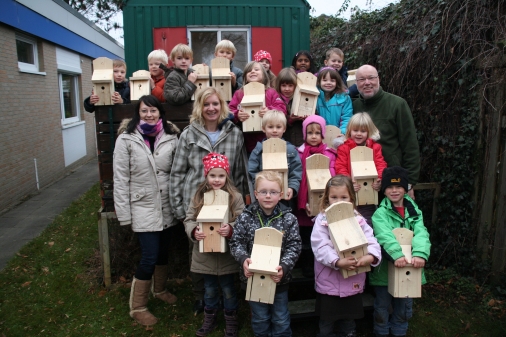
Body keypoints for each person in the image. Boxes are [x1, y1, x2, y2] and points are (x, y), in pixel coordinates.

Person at [170, 87, 246, 314]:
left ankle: (227, 296)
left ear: (222, 106)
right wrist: (180, 210)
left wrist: (239, 209)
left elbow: (240, 172)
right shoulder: (189, 135)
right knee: (198, 250)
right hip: (196, 203)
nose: (211, 108)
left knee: (225, 249)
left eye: (215, 104)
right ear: (199, 108)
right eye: (206, 104)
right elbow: (177, 173)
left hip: (227, 204)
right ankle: (200, 296)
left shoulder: (234, 133)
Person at [113, 95, 179, 326]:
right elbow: (120, 178)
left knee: (162, 252)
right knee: (149, 255)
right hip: (142, 206)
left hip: (167, 205)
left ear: (160, 112)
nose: (149, 115)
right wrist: (124, 214)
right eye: (144, 111)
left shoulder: (171, 137)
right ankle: (138, 307)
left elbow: (177, 171)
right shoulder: (127, 139)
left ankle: (159, 290)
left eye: (153, 110)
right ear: (137, 114)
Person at [229, 170, 302, 337]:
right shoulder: (245, 217)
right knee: (260, 317)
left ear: (281, 194)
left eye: (273, 192)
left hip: (279, 280)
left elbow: (294, 246)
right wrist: (243, 260)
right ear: (256, 194)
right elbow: (236, 242)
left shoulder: (289, 219)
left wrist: (284, 267)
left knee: (281, 318)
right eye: (263, 192)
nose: (268, 196)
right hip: (254, 279)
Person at [312, 175, 381, 337]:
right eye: (334, 197)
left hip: (352, 282)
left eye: (343, 197)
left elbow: (371, 241)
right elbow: (319, 246)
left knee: (349, 321)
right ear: (327, 198)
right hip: (328, 282)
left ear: (351, 198)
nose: (338, 201)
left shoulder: (358, 220)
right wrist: (337, 261)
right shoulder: (322, 220)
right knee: (327, 321)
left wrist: (370, 256)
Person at [184, 153, 244, 337]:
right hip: (206, 258)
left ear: (227, 176)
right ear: (206, 176)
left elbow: (242, 220)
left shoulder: (235, 197)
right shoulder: (199, 196)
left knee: (228, 290)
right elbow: (189, 219)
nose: (216, 180)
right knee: (209, 290)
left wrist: (231, 229)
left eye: (221, 175)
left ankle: (231, 320)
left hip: (227, 257)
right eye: (212, 175)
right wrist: (194, 231)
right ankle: (209, 318)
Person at [369, 166, 431, 337]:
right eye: (389, 187)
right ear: (384, 190)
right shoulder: (380, 214)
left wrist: (419, 254)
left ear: (405, 188)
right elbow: (384, 236)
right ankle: (381, 331)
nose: (394, 191)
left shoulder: (414, 211)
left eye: (398, 187)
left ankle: (399, 331)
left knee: (404, 305)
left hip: (409, 269)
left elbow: (421, 233)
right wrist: (397, 255)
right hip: (385, 272)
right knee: (382, 305)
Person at [352, 65, 420, 199]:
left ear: (379, 79)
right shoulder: (354, 106)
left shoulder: (397, 104)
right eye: (362, 79)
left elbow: (410, 144)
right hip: (361, 182)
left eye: (371, 78)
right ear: (356, 83)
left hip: (393, 180)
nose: (367, 83)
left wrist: (409, 183)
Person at [296, 115, 337, 278]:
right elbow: (298, 179)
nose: (314, 136)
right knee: (306, 239)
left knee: (323, 237)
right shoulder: (299, 153)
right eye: (310, 133)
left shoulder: (330, 154)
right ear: (305, 134)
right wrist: (304, 201)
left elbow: (333, 175)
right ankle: (307, 268)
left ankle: (321, 266)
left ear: (323, 134)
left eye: (318, 133)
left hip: (325, 204)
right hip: (304, 205)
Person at [334, 112, 388, 224]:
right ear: (349, 131)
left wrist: (379, 179)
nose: (359, 134)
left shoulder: (375, 147)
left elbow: (380, 164)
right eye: (355, 130)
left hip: (369, 193)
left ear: (369, 132)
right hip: (350, 194)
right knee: (349, 222)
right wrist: (349, 183)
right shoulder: (344, 148)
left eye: (363, 131)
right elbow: (340, 167)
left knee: (367, 222)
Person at [229, 61, 287, 153]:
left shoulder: (271, 92)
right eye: (249, 71)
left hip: (268, 136)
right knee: (252, 161)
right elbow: (230, 110)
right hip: (248, 139)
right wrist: (237, 115)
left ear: (264, 75)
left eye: (256, 69)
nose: (252, 72)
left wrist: (270, 111)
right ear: (245, 77)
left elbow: (282, 108)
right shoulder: (239, 93)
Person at [248, 110, 302, 201]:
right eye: (270, 127)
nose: (274, 130)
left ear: (284, 129)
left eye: (278, 127)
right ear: (263, 128)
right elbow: (252, 172)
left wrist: (292, 187)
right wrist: (259, 188)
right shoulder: (258, 150)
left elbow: (296, 172)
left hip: (284, 198)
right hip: (265, 197)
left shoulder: (290, 150)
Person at [316, 67, 353, 133]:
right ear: (319, 82)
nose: (328, 83)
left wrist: (342, 132)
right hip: (319, 135)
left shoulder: (344, 98)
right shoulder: (315, 98)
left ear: (337, 82)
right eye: (325, 80)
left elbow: (347, 118)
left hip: (339, 135)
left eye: (332, 80)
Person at [275, 67, 305, 147]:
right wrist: (290, 119)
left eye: (290, 85)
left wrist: (306, 117)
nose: (287, 89)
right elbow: (275, 119)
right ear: (279, 85)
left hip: (300, 140)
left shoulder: (302, 98)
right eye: (283, 85)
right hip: (284, 140)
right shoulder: (276, 100)